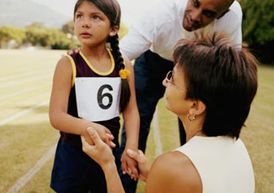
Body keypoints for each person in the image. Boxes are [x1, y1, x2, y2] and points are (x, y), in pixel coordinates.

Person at [81, 33, 258, 193]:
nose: (165, 82)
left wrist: (108, 164)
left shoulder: (173, 167)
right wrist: (153, 176)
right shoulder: (238, 148)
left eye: (172, 78)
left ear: (195, 106)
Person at [118, 0, 243, 191]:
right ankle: (125, 186)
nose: (194, 16)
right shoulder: (162, 13)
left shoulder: (232, 16)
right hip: (152, 61)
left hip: (196, 68)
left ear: (222, 15)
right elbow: (120, 56)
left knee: (200, 128)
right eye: (195, 3)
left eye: (208, 13)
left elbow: (230, 71)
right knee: (135, 128)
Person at [49, 0, 139, 192]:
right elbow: (57, 116)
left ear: (113, 29)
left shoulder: (124, 65)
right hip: (73, 155)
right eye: (79, 16)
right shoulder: (67, 64)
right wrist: (90, 128)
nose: (85, 23)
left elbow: (131, 111)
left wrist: (130, 148)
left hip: (108, 154)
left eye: (95, 17)